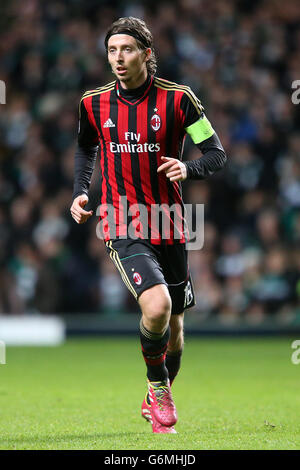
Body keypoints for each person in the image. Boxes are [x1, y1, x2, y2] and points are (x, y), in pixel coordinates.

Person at [70, 16, 227, 434]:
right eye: (111, 51)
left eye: (126, 49)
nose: (118, 58)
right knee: (156, 307)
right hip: (123, 219)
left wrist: (188, 168)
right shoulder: (93, 103)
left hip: (172, 221)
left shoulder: (178, 100)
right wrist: (81, 191)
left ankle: (155, 390)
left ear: (146, 53)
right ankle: (158, 390)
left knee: (175, 328)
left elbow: (216, 152)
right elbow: (86, 149)